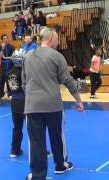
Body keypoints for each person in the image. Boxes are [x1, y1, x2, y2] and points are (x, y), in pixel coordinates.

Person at [22, 28, 84, 180]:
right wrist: (78, 100)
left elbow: (24, 82)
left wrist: (32, 97)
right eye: (57, 39)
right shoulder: (57, 56)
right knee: (57, 136)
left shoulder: (27, 56)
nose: (58, 42)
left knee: (35, 142)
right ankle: (60, 164)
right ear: (51, 39)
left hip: (32, 106)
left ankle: (37, 175)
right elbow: (68, 81)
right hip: (52, 105)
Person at [7, 59, 25, 158]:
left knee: (17, 127)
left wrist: (10, 94)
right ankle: (39, 150)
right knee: (33, 128)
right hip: (24, 102)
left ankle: (14, 150)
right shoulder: (23, 72)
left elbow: (8, 90)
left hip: (14, 102)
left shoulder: (8, 72)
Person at [0, 34, 15, 98]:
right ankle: (0, 94)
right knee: (2, 80)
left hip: (10, 65)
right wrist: (2, 49)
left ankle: (10, 93)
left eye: (6, 38)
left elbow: (14, 56)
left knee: (10, 80)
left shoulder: (11, 47)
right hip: (3, 66)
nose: (6, 39)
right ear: (2, 40)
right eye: (4, 38)